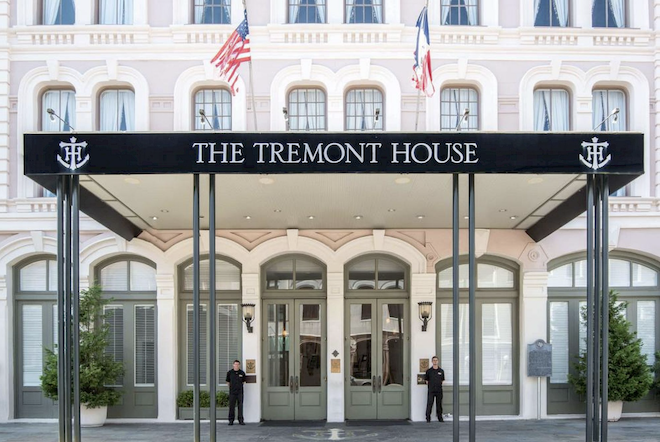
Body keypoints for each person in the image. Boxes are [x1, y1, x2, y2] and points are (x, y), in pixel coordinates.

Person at [226, 359, 246, 426]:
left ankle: (241, 420)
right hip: (232, 393)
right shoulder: (230, 373)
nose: (236, 366)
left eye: (238, 364)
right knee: (232, 406)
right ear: (233, 365)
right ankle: (231, 420)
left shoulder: (242, 373)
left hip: (240, 392)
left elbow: (243, 382)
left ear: (239, 365)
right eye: (235, 364)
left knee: (240, 406)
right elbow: (228, 382)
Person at [425, 356, 445, 423]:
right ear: (432, 361)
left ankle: (440, 418)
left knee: (439, 404)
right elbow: (427, 381)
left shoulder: (441, 371)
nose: (435, 361)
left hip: (439, 390)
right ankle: (428, 418)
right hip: (431, 390)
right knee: (430, 403)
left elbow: (442, 380)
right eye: (434, 360)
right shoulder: (429, 371)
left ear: (438, 361)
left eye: (436, 360)